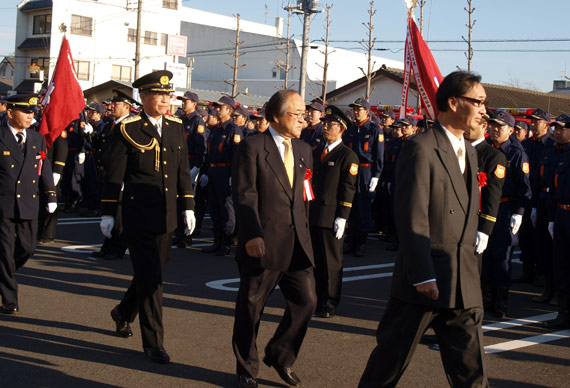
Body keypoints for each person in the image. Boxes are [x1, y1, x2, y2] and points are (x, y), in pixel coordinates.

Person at [358, 71, 488, 388]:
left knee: (471, 373)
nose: (484, 110)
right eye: (479, 102)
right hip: (424, 280)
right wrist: (422, 273)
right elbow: (412, 215)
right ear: (454, 102)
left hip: (462, 281)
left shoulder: (470, 151)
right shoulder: (422, 147)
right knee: (389, 363)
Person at [99, 70, 196, 364]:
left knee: (153, 272)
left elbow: (181, 169)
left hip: (166, 213)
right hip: (138, 213)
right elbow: (113, 174)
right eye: (160, 94)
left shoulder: (176, 126)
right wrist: (107, 213)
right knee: (152, 277)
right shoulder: (128, 128)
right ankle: (154, 343)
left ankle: (123, 311)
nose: (166, 100)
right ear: (143, 97)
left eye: (169, 94)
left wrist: (188, 205)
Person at [232, 89, 317, 388]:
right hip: (263, 243)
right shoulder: (253, 147)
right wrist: (252, 234)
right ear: (277, 117)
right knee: (251, 308)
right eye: (297, 114)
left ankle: (280, 354)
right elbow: (245, 195)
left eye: (304, 114)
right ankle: (246, 368)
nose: (303, 120)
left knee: (307, 301)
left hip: (297, 244)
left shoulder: (305, 150)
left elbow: (304, 200)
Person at [0, 94, 57, 314]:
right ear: (10, 112)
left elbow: (45, 168)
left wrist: (51, 195)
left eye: (32, 112)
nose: (30, 116)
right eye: (25, 111)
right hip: (4, 203)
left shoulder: (36, 138)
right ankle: (9, 299)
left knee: (27, 248)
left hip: (28, 201)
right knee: (5, 252)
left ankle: (4, 273)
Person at [310, 105, 358, 318]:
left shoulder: (347, 156)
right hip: (313, 214)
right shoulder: (317, 151)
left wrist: (343, 216)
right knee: (315, 261)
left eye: (331, 125)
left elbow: (348, 188)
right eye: (325, 124)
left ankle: (329, 302)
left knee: (331, 263)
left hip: (331, 216)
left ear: (342, 129)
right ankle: (316, 298)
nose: (326, 127)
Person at [483, 110, 531, 317]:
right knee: (484, 254)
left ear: (511, 130)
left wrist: (519, 212)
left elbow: (525, 188)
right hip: (485, 208)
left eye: (499, 127)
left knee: (502, 255)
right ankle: (485, 297)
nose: (494, 129)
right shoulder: (484, 149)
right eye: (492, 125)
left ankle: (501, 300)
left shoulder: (516, 153)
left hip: (506, 208)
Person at [91, 89, 137, 261]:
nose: (111, 106)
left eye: (116, 104)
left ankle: (117, 247)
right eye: (112, 103)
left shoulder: (129, 126)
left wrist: (125, 176)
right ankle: (108, 245)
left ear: (126, 107)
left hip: (119, 176)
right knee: (108, 210)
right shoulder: (113, 124)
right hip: (107, 174)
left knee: (118, 214)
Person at [200, 96, 242, 256]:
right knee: (214, 208)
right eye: (216, 107)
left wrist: (233, 175)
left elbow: (237, 155)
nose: (217, 109)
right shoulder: (216, 129)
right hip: (213, 171)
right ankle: (216, 242)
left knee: (227, 209)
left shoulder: (233, 130)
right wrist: (204, 172)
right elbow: (208, 152)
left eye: (220, 107)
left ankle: (226, 243)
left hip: (225, 172)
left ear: (229, 110)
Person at [342, 97, 384, 257]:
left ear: (366, 112)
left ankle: (361, 243)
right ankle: (351, 241)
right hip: (352, 170)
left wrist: (376, 175)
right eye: (354, 109)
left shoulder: (374, 129)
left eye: (358, 109)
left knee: (363, 207)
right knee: (350, 205)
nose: (355, 112)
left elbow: (378, 154)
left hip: (366, 170)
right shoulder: (351, 129)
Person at [543, 117, 570, 329]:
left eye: (562, 129)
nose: (558, 132)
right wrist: (552, 217)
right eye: (556, 129)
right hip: (561, 213)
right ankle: (563, 312)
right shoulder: (557, 152)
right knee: (560, 263)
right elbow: (553, 187)